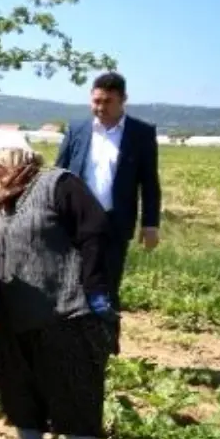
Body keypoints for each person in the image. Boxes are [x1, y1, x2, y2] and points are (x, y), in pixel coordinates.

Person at [0, 132, 117, 439]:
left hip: (62, 308)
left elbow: (94, 231)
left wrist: (95, 285)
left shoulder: (58, 184)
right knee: (16, 380)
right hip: (12, 310)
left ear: (10, 156)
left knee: (73, 385)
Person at [55, 72, 161, 318]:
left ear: (123, 99)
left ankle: (103, 344)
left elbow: (149, 182)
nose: (100, 107)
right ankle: (72, 344)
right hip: (74, 222)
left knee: (107, 287)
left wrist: (150, 224)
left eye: (107, 101)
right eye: (96, 101)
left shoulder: (141, 134)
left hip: (114, 222)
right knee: (70, 282)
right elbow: (58, 174)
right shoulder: (77, 130)